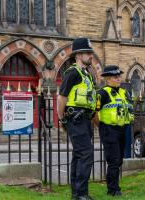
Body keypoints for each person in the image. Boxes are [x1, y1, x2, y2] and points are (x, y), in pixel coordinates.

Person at [57, 38, 97, 200]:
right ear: (79, 55)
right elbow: (61, 98)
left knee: (79, 155)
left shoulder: (86, 74)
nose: (91, 56)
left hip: (85, 119)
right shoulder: (72, 73)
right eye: (88, 53)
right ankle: (81, 194)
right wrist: (62, 119)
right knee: (86, 154)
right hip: (76, 118)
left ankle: (76, 193)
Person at [93, 65, 134, 196]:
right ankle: (113, 189)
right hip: (109, 129)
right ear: (108, 79)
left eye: (119, 76)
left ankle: (113, 185)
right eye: (115, 77)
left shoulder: (124, 92)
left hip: (123, 129)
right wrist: (102, 126)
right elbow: (94, 112)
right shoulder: (102, 93)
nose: (118, 79)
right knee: (114, 160)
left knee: (119, 159)